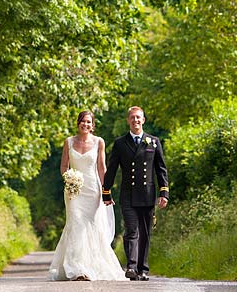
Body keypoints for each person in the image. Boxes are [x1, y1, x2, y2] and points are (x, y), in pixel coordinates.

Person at [48, 111, 126, 281]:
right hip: (73, 190)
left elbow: (101, 168)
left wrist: (106, 191)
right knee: (75, 223)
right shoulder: (68, 141)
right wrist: (69, 179)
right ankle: (76, 268)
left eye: (89, 122)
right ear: (78, 123)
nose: (86, 124)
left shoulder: (99, 142)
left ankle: (92, 266)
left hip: (93, 189)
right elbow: (63, 166)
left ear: (93, 125)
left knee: (91, 225)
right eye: (83, 121)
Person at [102, 106, 169, 281]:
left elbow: (160, 169)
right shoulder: (120, 143)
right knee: (132, 230)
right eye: (132, 118)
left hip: (147, 194)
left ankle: (143, 269)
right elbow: (112, 169)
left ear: (143, 120)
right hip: (128, 195)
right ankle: (131, 267)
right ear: (128, 121)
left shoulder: (153, 142)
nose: (136, 120)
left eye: (138, 117)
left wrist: (164, 192)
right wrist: (106, 191)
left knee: (145, 232)